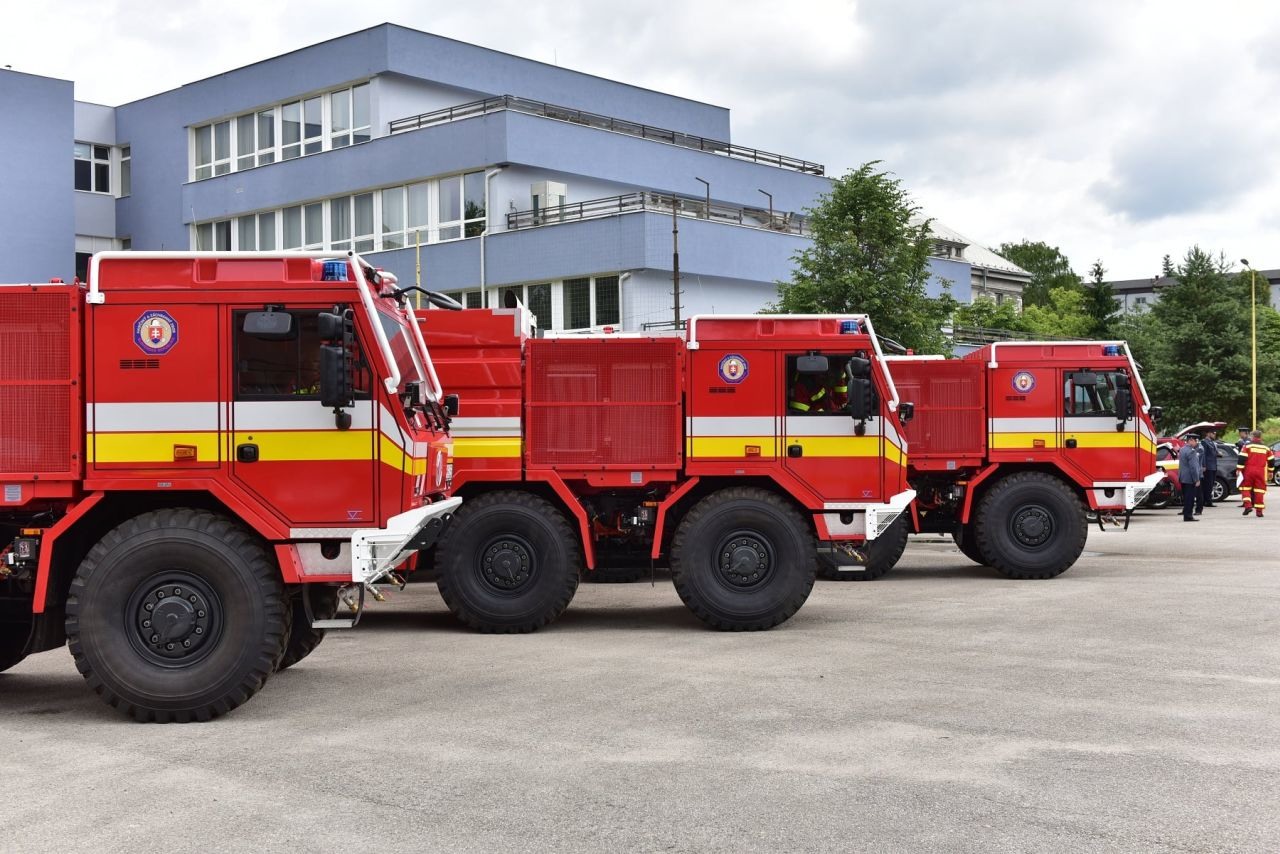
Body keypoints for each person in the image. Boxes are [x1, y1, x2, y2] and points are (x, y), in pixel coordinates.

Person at [1238, 430, 1275, 518]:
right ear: (1260, 437)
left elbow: (1242, 458)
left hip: (1248, 470)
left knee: (1245, 487)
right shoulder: (1266, 448)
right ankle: (1259, 512)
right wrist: (1270, 471)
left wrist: (1239, 469)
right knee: (1260, 490)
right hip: (1260, 471)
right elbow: (1271, 460)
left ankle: (1248, 506)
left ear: (1253, 436)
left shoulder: (1247, 446)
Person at [1177, 434, 1203, 522]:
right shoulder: (1192, 451)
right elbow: (1194, 467)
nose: (1196, 443)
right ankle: (1188, 516)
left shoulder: (1182, 449)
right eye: (1196, 441)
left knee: (1186, 498)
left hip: (1183, 477)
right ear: (1191, 440)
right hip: (1190, 478)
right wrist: (1197, 479)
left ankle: (1186, 514)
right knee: (1190, 498)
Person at [1199, 429, 1219, 510]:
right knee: (1207, 484)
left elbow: (1213, 453)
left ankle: (1207, 500)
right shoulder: (1204, 442)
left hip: (1213, 466)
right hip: (1208, 466)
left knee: (1211, 484)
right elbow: (1203, 454)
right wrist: (1204, 465)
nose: (1214, 435)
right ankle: (1207, 501)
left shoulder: (1212, 442)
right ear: (1208, 433)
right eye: (1213, 433)